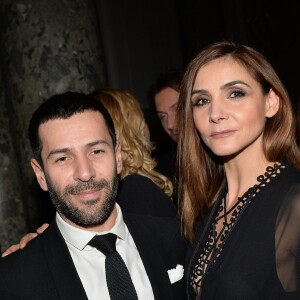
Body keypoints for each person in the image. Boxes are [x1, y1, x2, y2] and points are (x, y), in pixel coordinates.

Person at [0, 92, 186, 299]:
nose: (85, 173)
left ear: (117, 156)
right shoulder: (14, 279)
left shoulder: (177, 239)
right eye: (63, 158)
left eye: (96, 151)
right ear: (41, 174)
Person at [177, 41, 300, 299]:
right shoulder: (208, 205)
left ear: (271, 103)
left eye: (235, 93)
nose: (216, 113)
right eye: (202, 100)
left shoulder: (294, 202)